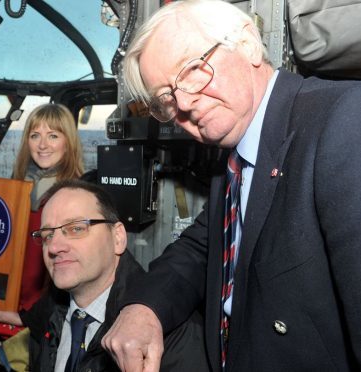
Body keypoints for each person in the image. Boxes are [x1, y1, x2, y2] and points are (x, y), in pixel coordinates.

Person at [101, 0, 361, 371]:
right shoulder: (235, 159)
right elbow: (202, 248)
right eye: (166, 99)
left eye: (192, 70)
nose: (185, 105)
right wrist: (143, 307)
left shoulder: (344, 121)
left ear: (248, 45)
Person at [21, 179, 207, 372]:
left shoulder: (166, 331)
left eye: (76, 228)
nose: (54, 247)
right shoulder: (45, 318)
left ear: (118, 237)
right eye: (47, 235)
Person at [0, 103, 85, 336]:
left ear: (68, 142)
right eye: (35, 135)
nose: (42, 145)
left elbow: (75, 276)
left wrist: (27, 317)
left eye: (53, 135)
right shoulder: (20, 188)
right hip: (9, 296)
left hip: (42, 312)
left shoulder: (76, 197)